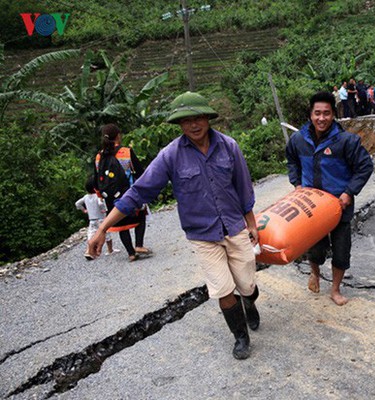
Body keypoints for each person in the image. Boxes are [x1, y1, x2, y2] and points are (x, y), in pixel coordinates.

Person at [88, 91, 261, 360]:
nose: (193, 124)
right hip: (202, 235)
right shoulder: (170, 155)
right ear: (179, 124)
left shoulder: (229, 146)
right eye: (186, 120)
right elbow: (138, 192)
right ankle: (241, 336)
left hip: (234, 226)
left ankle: (249, 301)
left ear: (207, 118)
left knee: (247, 284)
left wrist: (251, 223)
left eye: (198, 118)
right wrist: (102, 229)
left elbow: (243, 188)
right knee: (223, 289)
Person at [285, 91, 374, 306]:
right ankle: (314, 273)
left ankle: (335, 289)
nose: (321, 118)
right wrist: (297, 184)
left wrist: (348, 192)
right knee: (315, 246)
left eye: (326, 113)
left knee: (341, 249)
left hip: (339, 205)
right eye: (317, 113)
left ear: (334, 114)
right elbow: (291, 161)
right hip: (312, 207)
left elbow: (365, 166)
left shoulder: (346, 141)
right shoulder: (298, 140)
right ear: (310, 115)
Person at [95, 124, 150, 262]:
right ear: (118, 135)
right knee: (141, 216)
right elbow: (139, 172)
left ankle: (131, 253)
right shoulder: (126, 152)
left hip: (110, 198)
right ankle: (139, 245)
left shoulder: (99, 156)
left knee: (120, 224)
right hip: (129, 194)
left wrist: (100, 195)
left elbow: (97, 178)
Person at [76, 177, 118, 260]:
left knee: (91, 235)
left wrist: (84, 210)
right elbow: (100, 203)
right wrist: (104, 209)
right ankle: (110, 250)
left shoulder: (85, 197)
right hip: (101, 219)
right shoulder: (98, 196)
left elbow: (77, 203)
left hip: (92, 220)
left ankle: (89, 251)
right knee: (106, 234)